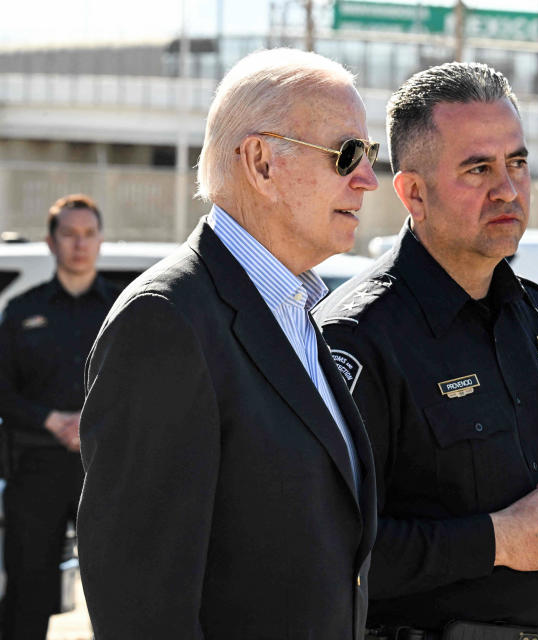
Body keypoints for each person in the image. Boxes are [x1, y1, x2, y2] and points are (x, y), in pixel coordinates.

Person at [317, 62, 538, 640]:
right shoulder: (357, 337)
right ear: (413, 193)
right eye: (478, 168)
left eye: (517, 164)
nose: (507, 189)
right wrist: (498, 541)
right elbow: (329, 552)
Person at [77, 48, 379, 639]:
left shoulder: (290, 307)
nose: (368, 179)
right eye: (347, 155)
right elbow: (141, 609)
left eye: (368, 156)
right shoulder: (166, 322)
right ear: (261, 162)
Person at [0, 194, 119, 640]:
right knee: (28, 592)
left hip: (103, 471)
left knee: (118, 590)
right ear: (51, 243)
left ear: (101, 240)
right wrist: (51, 420)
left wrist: (91, 424)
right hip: (35, 469)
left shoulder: (123, 309)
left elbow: (139, 386)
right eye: (68, 234)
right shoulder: (22, 310)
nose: (79, 244)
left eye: (88, 234)